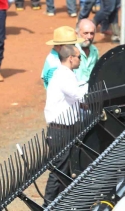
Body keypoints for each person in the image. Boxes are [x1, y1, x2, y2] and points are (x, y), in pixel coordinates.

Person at [43, 43, 86, 202]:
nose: (80, 60)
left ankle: (59, 202)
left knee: (67, 168)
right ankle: (48, 204)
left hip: (66, 128)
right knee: (59, 169)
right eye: (79, 57)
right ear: (70, 58)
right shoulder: (63, 76)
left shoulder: (66, 74)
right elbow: (79, 96)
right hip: (61, 130)